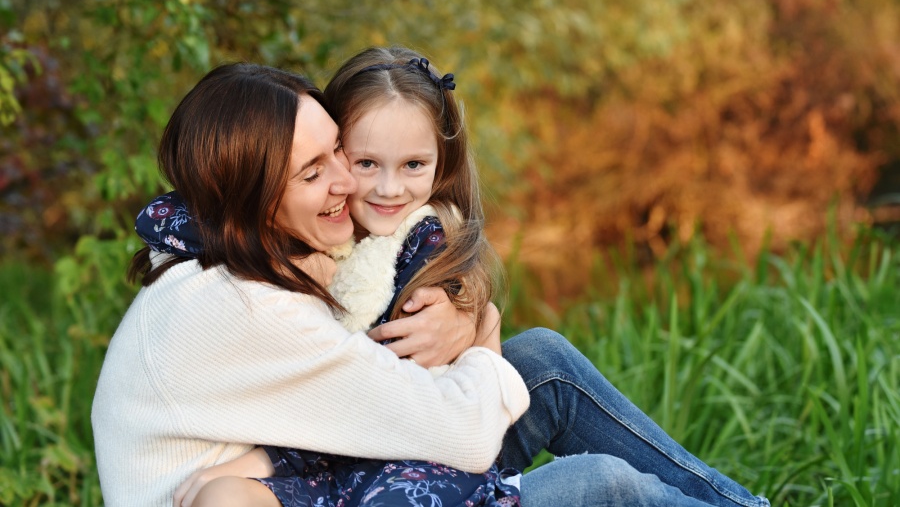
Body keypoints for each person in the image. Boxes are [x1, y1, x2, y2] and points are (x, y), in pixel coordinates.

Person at [127, 49, 770, 507]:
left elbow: (339, 400)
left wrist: (467, 306)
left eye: (410, 165)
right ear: (257, 185)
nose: (368, 186)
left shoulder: (274, 245)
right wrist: (483, 334)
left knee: (542, 361)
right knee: (603, 483)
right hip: (351, 477)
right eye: (327, 167)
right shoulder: (246, 298)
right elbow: (421, 424)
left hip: (360, 465)